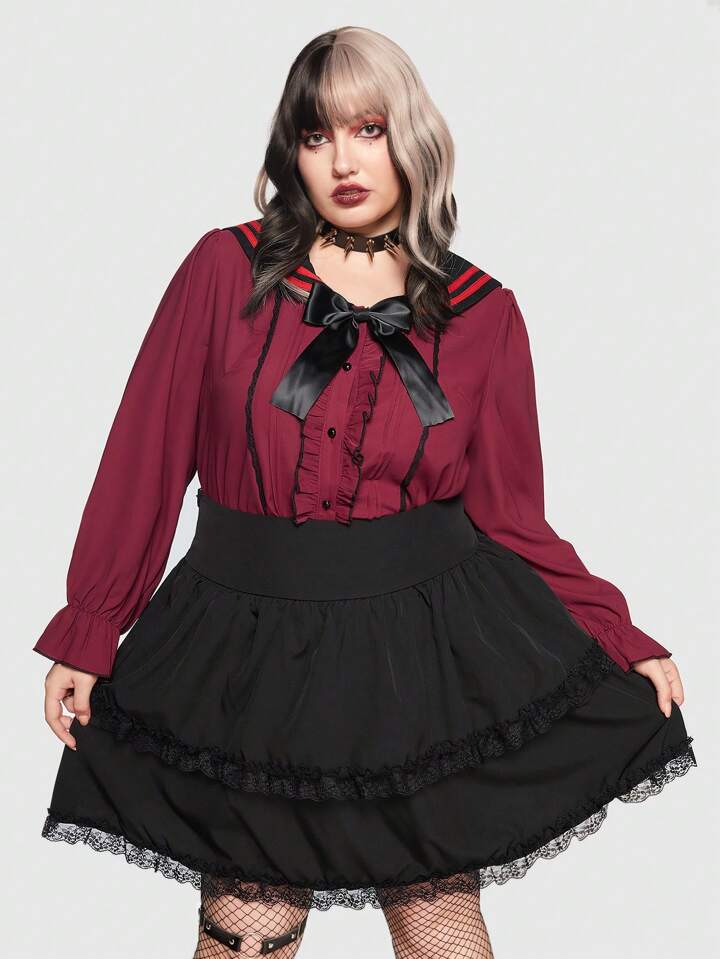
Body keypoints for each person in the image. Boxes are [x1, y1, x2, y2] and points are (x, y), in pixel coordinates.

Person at [34, 25, 696, 959]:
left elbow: (511, 515)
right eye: (317, 136)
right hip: (248, 648)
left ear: (410, 138)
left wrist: (615, 632)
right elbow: (145, 453)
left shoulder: (484, 313)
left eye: (369, 129)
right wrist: (92, 623)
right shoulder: (223, 270)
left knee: (436, 928)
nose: (343, 161)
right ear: (291, 152)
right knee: (250, 933)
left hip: (415, 657)